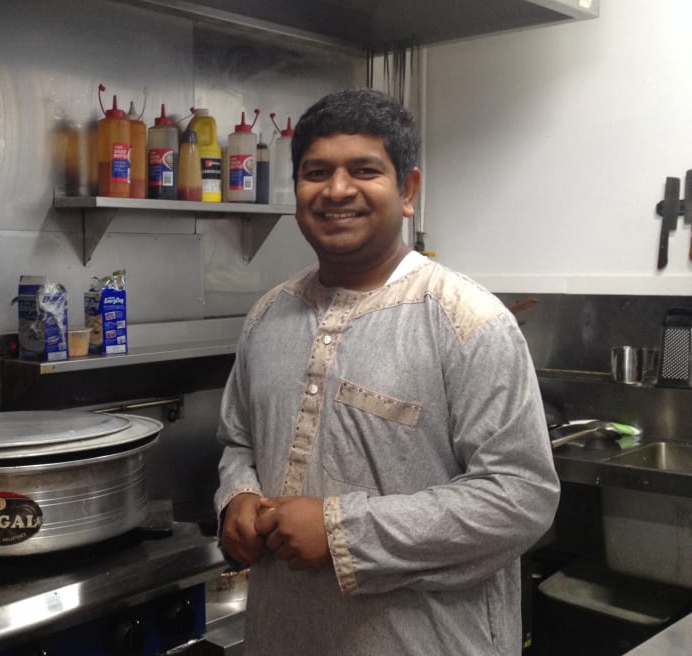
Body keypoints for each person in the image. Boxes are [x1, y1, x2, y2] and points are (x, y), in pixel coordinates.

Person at [214, 88, 559, 655]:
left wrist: (342, 532)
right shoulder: (268, 317)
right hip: (284, 634)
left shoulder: (466, 321)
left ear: (408, 191)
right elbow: (237, 442)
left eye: (365, 170)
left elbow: (521, 498)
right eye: (316, 172)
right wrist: (238, 498)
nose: (337, 190)